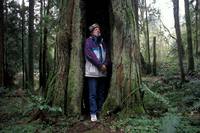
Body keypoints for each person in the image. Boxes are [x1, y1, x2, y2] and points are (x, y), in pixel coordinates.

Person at [84, 23, 109, 122]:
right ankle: (93, 113)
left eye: (99, 29)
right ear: (92, 32)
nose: (98, 31)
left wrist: (105, 65)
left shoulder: (102, 43)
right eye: (96, 30)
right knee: (92, 94)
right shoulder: (88, 42)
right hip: (92, 72)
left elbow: (107, 55)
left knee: (101, 93)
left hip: (102, 73)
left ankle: (99, 110)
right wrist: (100, 65)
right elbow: (89, 55)